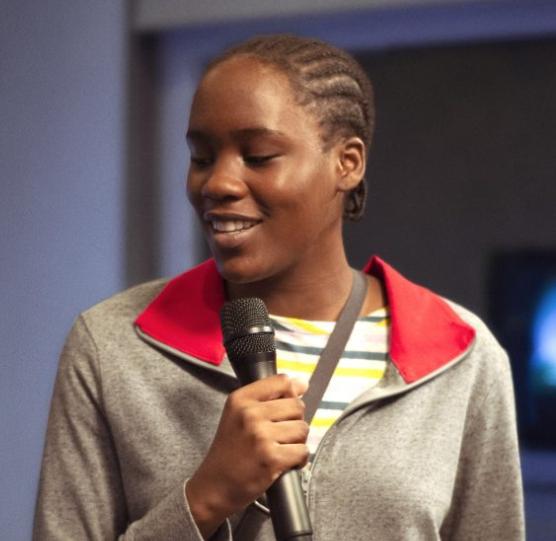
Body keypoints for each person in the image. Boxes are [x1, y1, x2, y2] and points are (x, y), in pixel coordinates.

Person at [33, 34, 525, 540]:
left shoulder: (462, 357)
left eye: (259, 156)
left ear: (347, 163)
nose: (218, 183)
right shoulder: (111, 345)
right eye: (201, 157)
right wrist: (206, 498)